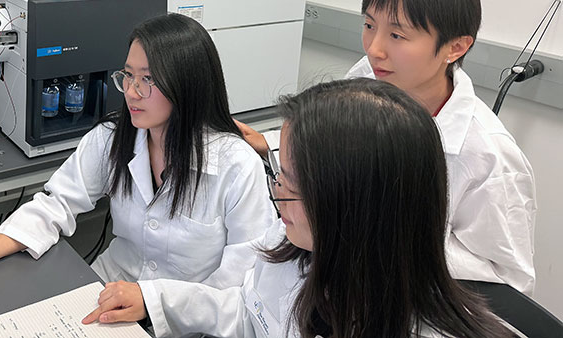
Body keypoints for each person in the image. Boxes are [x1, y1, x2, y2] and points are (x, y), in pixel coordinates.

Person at [84, 78, 512, 338]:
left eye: (292, 180)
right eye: (280, 170)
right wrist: (157, 300)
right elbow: (252, 314)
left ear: (354, 205)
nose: (276, 190)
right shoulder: (289, 247)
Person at [237, 0, 536, 294]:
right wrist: (273, 142)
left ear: (455, 47)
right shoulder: (372, 75)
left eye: (397, 35)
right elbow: (343, 145)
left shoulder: (490, 156)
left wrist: (386, 233)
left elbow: (509, 283)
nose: (374, 48)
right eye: (368, 25)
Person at [0, 13, 272, 291]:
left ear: (188, 86)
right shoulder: (114, 137)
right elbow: (57, 204)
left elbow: (240, 282)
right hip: (107, 290)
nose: (131, 92)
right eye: (128, 76)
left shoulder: (236, 167)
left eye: (148, 80)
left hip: (188, 322)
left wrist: (156, 307)